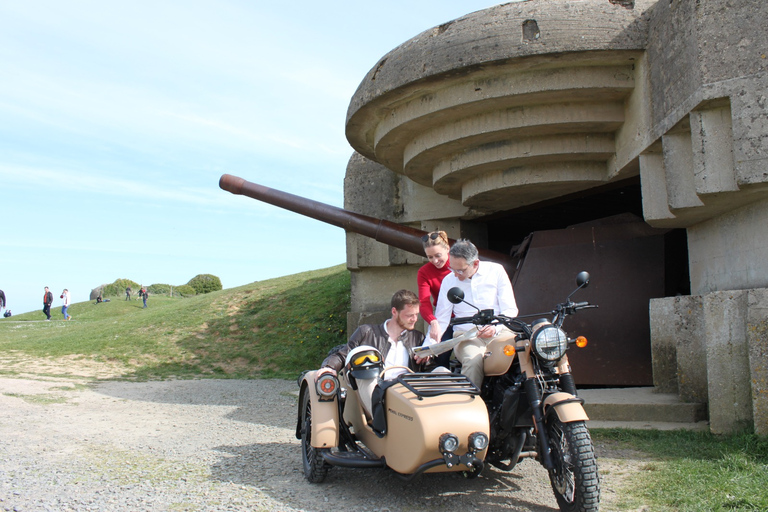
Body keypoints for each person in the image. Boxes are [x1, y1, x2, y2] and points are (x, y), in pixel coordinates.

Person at [431, 239, 519, 387]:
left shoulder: (496, 271)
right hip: (467, 336)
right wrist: (430, 346)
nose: (456, 275)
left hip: (501, 332)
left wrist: (495, 327)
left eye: (461, 270)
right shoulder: (449, 280)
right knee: (473, 360)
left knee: (525, 351)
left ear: (476, 264)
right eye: (452, 269)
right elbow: (442, 319)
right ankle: (469, 404)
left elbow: (510, 309)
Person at [318, 289, 437, 381]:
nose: (415, 319)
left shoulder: (418, 338)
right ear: (394, 312)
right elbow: (343, 354)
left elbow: (429, 368)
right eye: (410, 315)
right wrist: (329, 367)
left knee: (442, 371)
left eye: (416, 314)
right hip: (376, 390)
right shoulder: (366, 332)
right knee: (368, 378)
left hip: (407, 394)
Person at [417, 230, 453, 367]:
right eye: (430, 257)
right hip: (443, 317)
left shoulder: (458, 265)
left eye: (438, 255)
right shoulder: (424, 272)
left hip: (466, 314)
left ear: (448, 249)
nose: (435, 261)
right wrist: (433, 322)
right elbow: (424, 301)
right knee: (440, 358)